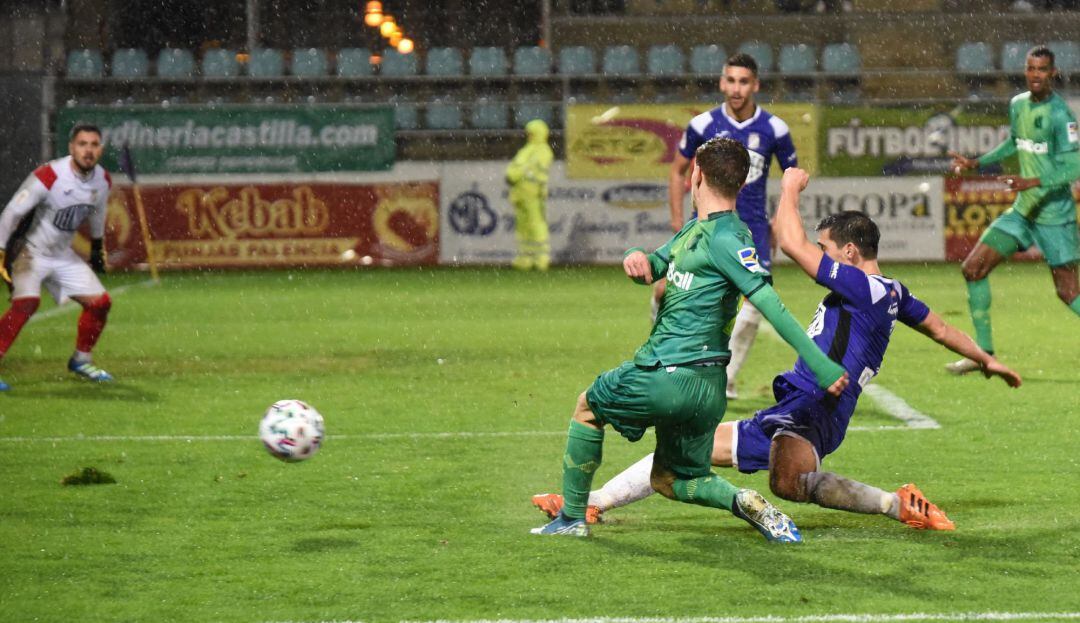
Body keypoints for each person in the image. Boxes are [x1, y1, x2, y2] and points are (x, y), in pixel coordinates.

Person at [534, 167, 1023, 533]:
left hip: (815, 407)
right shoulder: (892, 291)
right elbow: (938, 327)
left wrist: (789, 188)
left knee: (784, 484)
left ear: (849, 252)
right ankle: (595, 500)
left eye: (827, 246)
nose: (822, 253)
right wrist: (986, 358)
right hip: (802, 406)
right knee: (701, 454)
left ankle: (898, 504)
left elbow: (790, 243)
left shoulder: (857, 285)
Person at [531, 137, 848, 540]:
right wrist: (637, 258)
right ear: (742, 184)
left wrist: (820, 366)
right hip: (706, 390)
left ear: (695, 174)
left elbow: (770, 304)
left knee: (587, 408)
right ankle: (744, 502)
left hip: (667, 373)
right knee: (672, 479)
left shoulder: (725, 240)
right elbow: (657, 264)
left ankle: (572, 518)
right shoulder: (700, 231)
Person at [660, 53, 799, 400]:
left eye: (744, 82)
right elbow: (677, 170)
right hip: (703, 225)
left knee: (754, 303)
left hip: (749, 227)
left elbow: (792, 179)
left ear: (755, 85)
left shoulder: (775, 129)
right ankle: (666, 358)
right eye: (731, 81)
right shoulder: (702, 125)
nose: (736, 89)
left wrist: (784, 223)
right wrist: (678, 219)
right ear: (722, 83)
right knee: (667, 292)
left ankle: (727, 378)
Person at [947, 45, 1080, 375]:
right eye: (1031, 68)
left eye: (1042, 69)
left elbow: (1074, 164)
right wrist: (978, 162)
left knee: (1068, 293)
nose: (1036, 75)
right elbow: (1014, 142)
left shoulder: (1061, 114)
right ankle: (984, 354)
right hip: (1023, 211)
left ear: (1053, 74)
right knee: (973, 269)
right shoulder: (1017, 104)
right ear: (1025, 71)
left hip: (1055, 217)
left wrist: (1032, 181)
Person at [0, 123, 115, 391]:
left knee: (101, 303)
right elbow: (11, 214)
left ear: (101, 149)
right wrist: (1, 251)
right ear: (71, 147)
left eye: (94, 145)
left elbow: (98, 213)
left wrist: (97, 247)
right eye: (82, 144)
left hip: (63, 255)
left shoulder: (103, 180)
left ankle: (81, 360)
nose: (88, 150)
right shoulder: (50, 175)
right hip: (31, 252)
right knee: (26, 303)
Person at [506, 119, 554, 271]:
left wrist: (513, 175)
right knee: (523, 227)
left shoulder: (543, 151)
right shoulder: (528, 149)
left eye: (532, 133)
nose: (529, 136)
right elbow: (519, 167)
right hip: (521, 193)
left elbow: (527, 169)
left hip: (533, 193)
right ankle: (525, 259)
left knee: (536, 225)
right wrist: (513, 176)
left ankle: (541, 259)